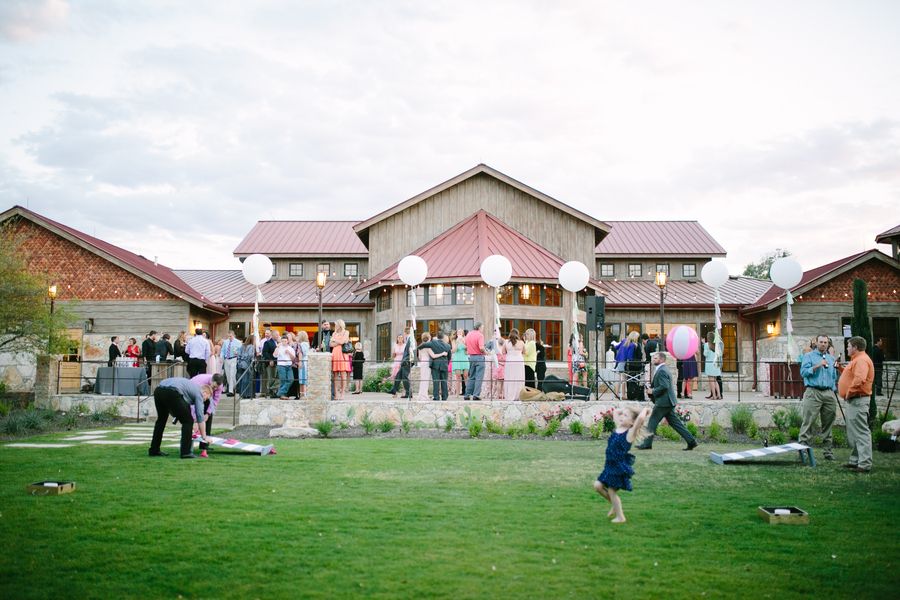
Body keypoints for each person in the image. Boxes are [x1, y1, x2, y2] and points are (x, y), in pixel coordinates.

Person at [593, 405, 651, 523]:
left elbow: (640, 419)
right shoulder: (618, 427)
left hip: (618, 467)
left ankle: (620, 517)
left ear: (632, 422)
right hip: (609, 466)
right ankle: (615, 505)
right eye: (622, 415)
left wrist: (645, 410)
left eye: (626, 416)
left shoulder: (630, 433)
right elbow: (616, 412)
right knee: (597, 486)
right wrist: (625, 409)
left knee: (611, 491)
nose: (621, 417)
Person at [635, 352, 698, 451]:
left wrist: (653, 391)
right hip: (667, 401)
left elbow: (664, 386)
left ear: (661, 360)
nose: (653, 360)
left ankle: (647, 444)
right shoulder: (662, 369)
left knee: (652, 422)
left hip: (663, 402)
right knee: (676, 423)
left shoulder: (662, 371)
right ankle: (691, 441)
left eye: (655, 358)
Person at [837, 336, 875, 473]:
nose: (847, 348)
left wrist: (849, 392)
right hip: (855, 400)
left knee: (861, 432)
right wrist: (841, 370)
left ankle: (864, 464)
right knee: (855, 432)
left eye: (848, 346)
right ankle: (855, 461)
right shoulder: (857, 360)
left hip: (858, 400)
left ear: (855, 347)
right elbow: (853, 376)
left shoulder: (861, 360)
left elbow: (860, 379)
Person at [148, 376, 212, 459]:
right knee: (188, 421)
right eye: (206, 398)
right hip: (173, 392)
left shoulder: (190, 389)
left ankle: (154, 450)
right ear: (205, 393)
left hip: (159, 390)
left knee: (161, 420)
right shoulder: (199, 393)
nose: (204, 400)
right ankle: (186, 452)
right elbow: (200, 417)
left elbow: (181, 409)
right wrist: (204, 436)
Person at [798, 334, 838, 461]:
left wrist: (833, 390)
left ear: (828, 344)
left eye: (826, 342)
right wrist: (817, 366)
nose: (823, 344)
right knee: (808, 422)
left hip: (828, 393)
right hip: (813, 392)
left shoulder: (831, 359)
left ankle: (828, 452)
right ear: (816, 343)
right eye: (821, 342)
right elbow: (803, 372)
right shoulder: (809, 356)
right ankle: (803, 450)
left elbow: (833, 376)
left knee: (828, 423)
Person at [190, 373, 224, 458]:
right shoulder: (200, 382)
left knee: (208, 418)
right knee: (192, 418)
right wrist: (195, 419)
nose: (215, 388)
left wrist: (208, 413)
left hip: (206, 398)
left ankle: (204, 445)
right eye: (214, 386)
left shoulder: (219, 386)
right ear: (211, 381)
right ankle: (187, 446)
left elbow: (215, 400)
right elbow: (193, 404)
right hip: (192, 396)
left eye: (217, 387)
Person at [464, 322, 487, 400]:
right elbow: (481, 348)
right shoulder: (480, 335)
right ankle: (476, 395)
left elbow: (465, 346)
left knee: (471, 377)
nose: (483, 329)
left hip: (471, 357)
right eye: (482, 327)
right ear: (479, 327)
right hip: (479, 357)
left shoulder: (468, 334)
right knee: (479, 377)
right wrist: (487, 353)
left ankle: (467, 394)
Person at [330, 319, 351, 400]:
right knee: (335, 375)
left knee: (343, 375)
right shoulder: (334, 333)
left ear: (339, 324)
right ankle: (336, 394)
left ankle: (342, 393)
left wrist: (335, 340)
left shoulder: (346, 332)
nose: (335, 326)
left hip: (342, 354)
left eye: (336, 324)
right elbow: (330, 344)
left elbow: (343, 342)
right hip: (335, 354)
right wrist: (337, 341)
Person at [390, 327, 413, 399]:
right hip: (397, 362)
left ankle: (407, 393)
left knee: (404, 377)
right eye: (399, 337)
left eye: (401, 337)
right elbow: (393, 355)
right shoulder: (396, 345)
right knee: (397, 376)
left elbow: (409, 353)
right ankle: (394, 391)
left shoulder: (407, 343)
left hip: (404, 362)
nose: (400, 339)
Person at [503, 328, 526, 401]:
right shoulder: (521, 342)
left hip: (510, 361)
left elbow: (503, 352)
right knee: (519, 378)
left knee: (509, 378)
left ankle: (509, 395)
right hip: (519, 361)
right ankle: (518, 395)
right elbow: (524, 352)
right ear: (517, 334)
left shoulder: (506, 342)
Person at [429, 332, 451, 401]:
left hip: (435, 365)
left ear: (437, 337)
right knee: (444, 381)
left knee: (436, 381)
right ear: (443, 337)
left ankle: (436, 397)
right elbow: (449, 357)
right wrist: (446, 363)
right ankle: (445, 397)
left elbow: (431, 355)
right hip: (444, 365)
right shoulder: (447, 345)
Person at [274, 335, 296, 399]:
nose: (284, 342)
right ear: (281, 341)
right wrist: (277, 347)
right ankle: (282, 395)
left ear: (287, 341)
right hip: (281, 365)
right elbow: (274, 355)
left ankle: (279, 392)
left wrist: (289, 353)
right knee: (283, 380)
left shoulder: (290, 348)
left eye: (285, 341)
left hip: (289, 365)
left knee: (291, 379)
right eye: (282, 341)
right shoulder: (279, 348)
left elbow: (293, 358)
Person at [415, 332, 434, 400]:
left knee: (422, 379)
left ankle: (421, 395)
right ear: (429, 338)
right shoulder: (428, 346)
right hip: (427, 363)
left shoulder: (420, 346)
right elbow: (433, 355)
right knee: (426, 379)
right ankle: (424, 396)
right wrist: (442, 353)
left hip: (422, 363)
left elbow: (419, 357)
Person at [220, 330, 240, 396]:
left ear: (233, 335)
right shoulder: (225, 342)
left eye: (230, 336)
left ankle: (231, 391)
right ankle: (234, 388)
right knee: (228, 376)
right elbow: (222, 350)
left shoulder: (238, 342)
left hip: (233, 359)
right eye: (228, 336)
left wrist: (237, 353)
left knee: (232, 374)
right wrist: (221, 357)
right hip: (226, 360)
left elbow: (240, 351)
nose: (229, 338)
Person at [703, 332, 722, 399]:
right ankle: (719, 395)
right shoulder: (716, 345)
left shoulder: (706, 345)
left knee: (711, 381)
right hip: (715, 364)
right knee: (715, 380)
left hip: (709, 364)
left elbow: (705, 354)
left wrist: (704, 345)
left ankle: (714, 395)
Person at [260, 329, 277, 397]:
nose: (278, 336)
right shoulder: (267, 342)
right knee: (270, 377)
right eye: (276, 335)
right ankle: (270, 391)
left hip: (276, 363)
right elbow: (265, 353)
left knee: (274, 377)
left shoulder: (276, 342)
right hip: (270, 363)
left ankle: (273, 390)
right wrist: (270, 360)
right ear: (273, 335)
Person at [451, 329, 469, 396]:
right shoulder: (454, 340)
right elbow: (454, 350)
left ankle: (467, 393)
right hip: (457, 359)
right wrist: (458, 342)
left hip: (464, 358)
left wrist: (463, 342)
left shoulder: (465, 340)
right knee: (458, 377)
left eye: (461, 332)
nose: (460, 333)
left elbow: (467, 350)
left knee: (466, 376)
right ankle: (457, 394)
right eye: (458, 332)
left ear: (463, 334)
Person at [296, 330, 310, 398]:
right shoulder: (306, 344)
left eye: (298, 335)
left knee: (303, 378)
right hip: (305, 361)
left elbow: (301, 353)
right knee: (303, 378)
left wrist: (300, 361)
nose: (297, 336)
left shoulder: (302, 344)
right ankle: (303, 393)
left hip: (303, 361)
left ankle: (303, 394)